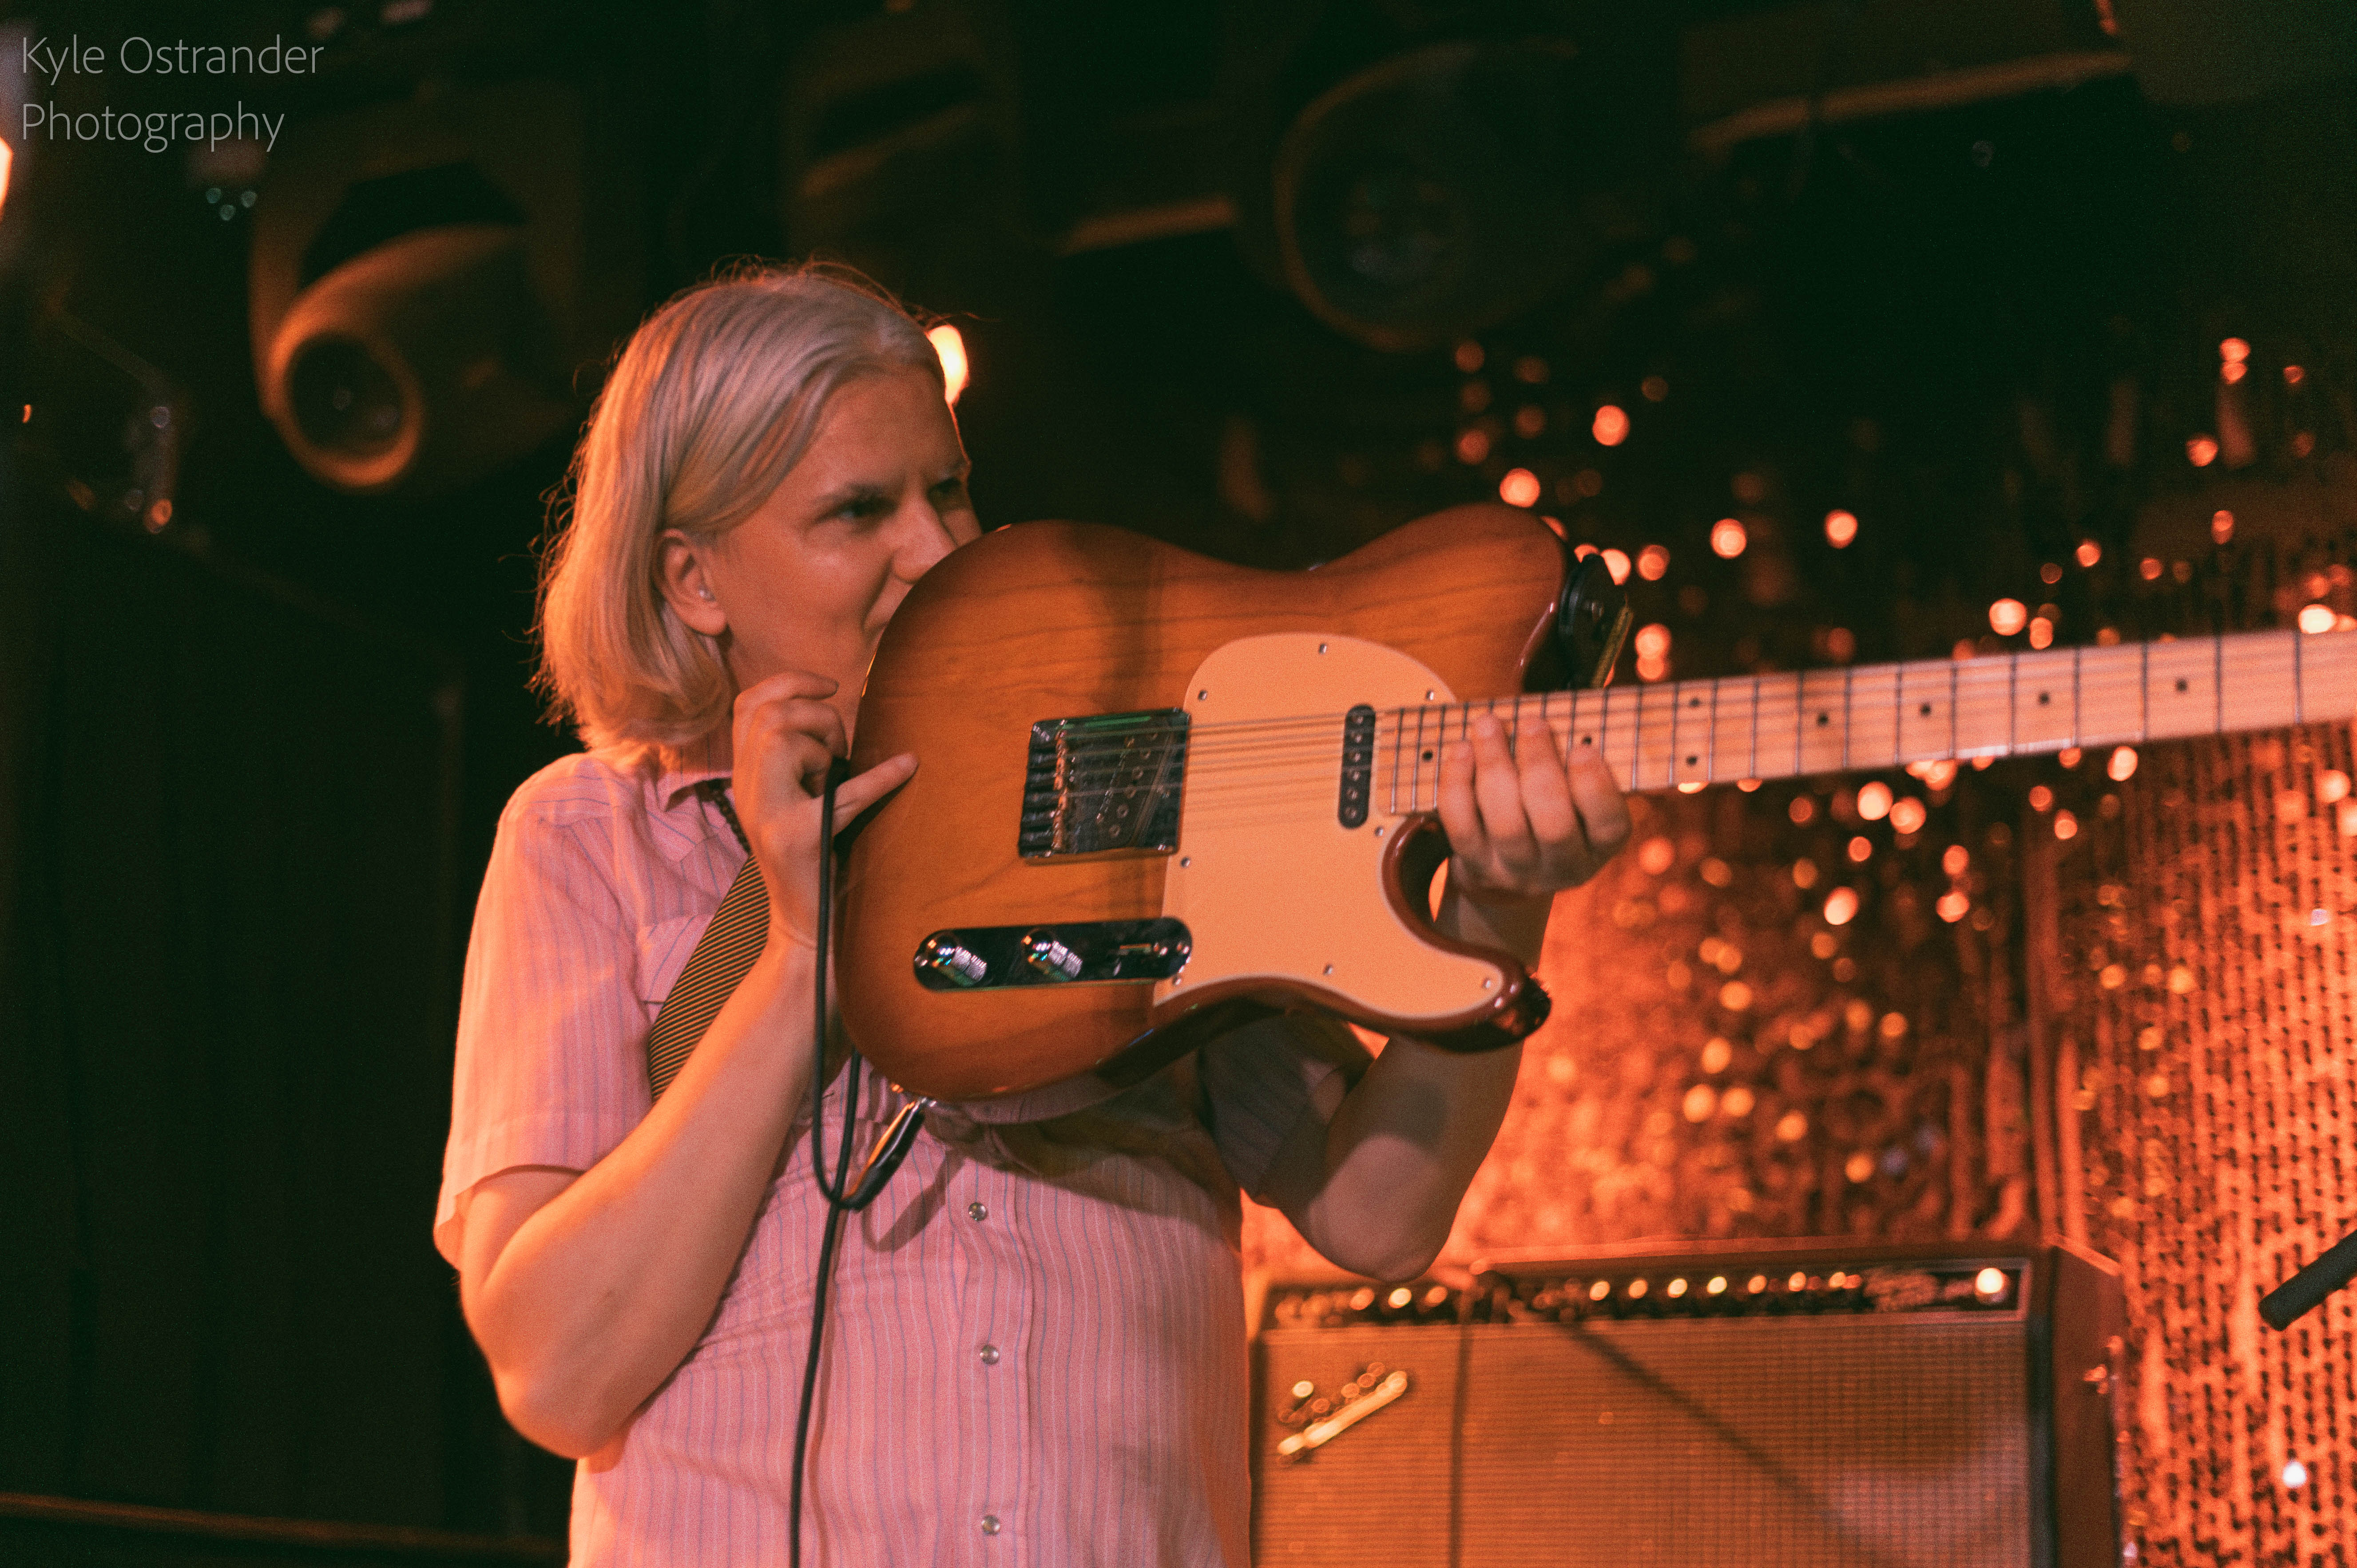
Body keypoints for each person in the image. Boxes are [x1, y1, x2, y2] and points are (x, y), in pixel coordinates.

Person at [434, 262, 1631, 1565]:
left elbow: (1377, 1216)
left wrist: (1502, 896)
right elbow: (556, 1373)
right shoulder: (592, 837)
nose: (938, 550)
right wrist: (800, 951)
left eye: (948, 490)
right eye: (857, 511)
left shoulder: (1133, 789)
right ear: (694, 581)